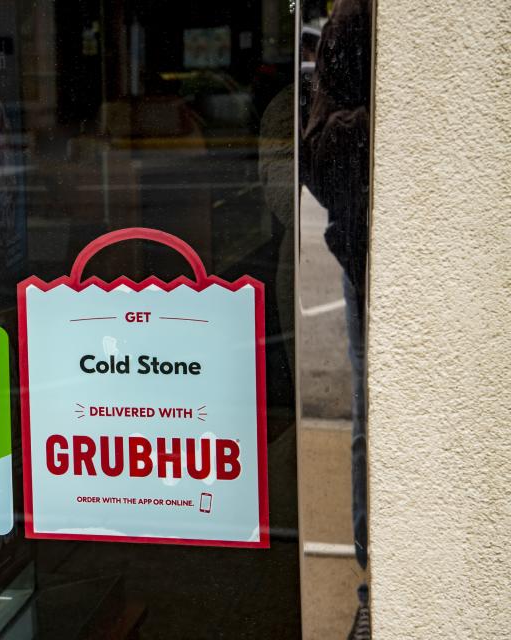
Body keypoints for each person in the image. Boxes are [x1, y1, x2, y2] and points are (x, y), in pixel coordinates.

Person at [302, 0, 372, 637]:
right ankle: (372, 586)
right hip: (365, 252)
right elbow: (317, 154)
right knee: (370, 421)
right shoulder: (354, 21)